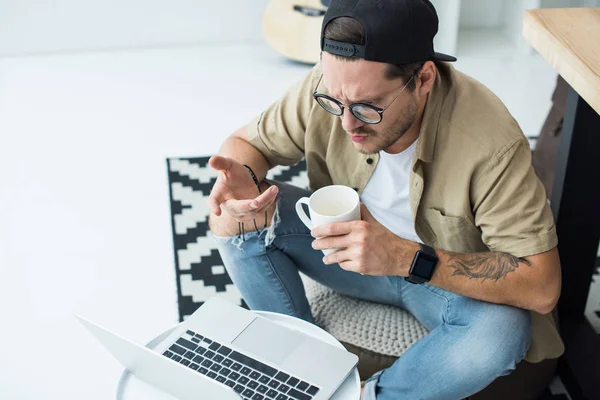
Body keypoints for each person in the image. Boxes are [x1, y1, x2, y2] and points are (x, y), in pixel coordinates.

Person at [207, 0, 564, 398]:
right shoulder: (333, 88)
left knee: (502, 332)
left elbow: (542, 286)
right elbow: (244, 143)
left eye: (367, 107)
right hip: (346, 257)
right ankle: (294, 367)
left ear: (424, 78)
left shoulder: (490, 144)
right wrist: (242, 182)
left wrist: (403, 257)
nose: (346, 123)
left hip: (438, 282)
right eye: (335, 102)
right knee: (243, 218)